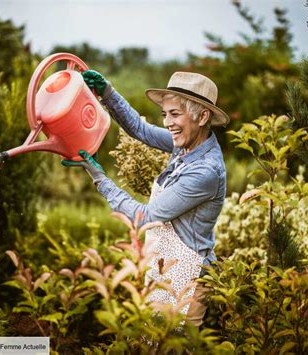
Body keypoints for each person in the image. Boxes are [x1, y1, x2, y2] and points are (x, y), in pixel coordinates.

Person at [62, 70, 229, 327]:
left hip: (189, 276)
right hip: (166, 266)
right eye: (165, 114)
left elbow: (146, 218)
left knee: (174, 346)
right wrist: (107, 92)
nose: (167, 123)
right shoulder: (186, 144)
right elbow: (141, 130)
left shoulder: (205, 170)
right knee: (151, 341)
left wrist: (100, 179)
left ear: (203, 116)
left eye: (175, 114)